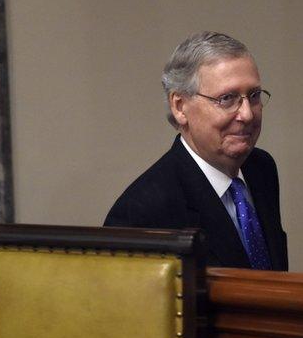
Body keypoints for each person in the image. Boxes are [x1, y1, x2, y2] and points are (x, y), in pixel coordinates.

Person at [104, 31, 288, 270]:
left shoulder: (261, 168)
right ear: (180, 106)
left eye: (253, 96)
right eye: (227, 98)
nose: (247, 114)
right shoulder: (141, 212)